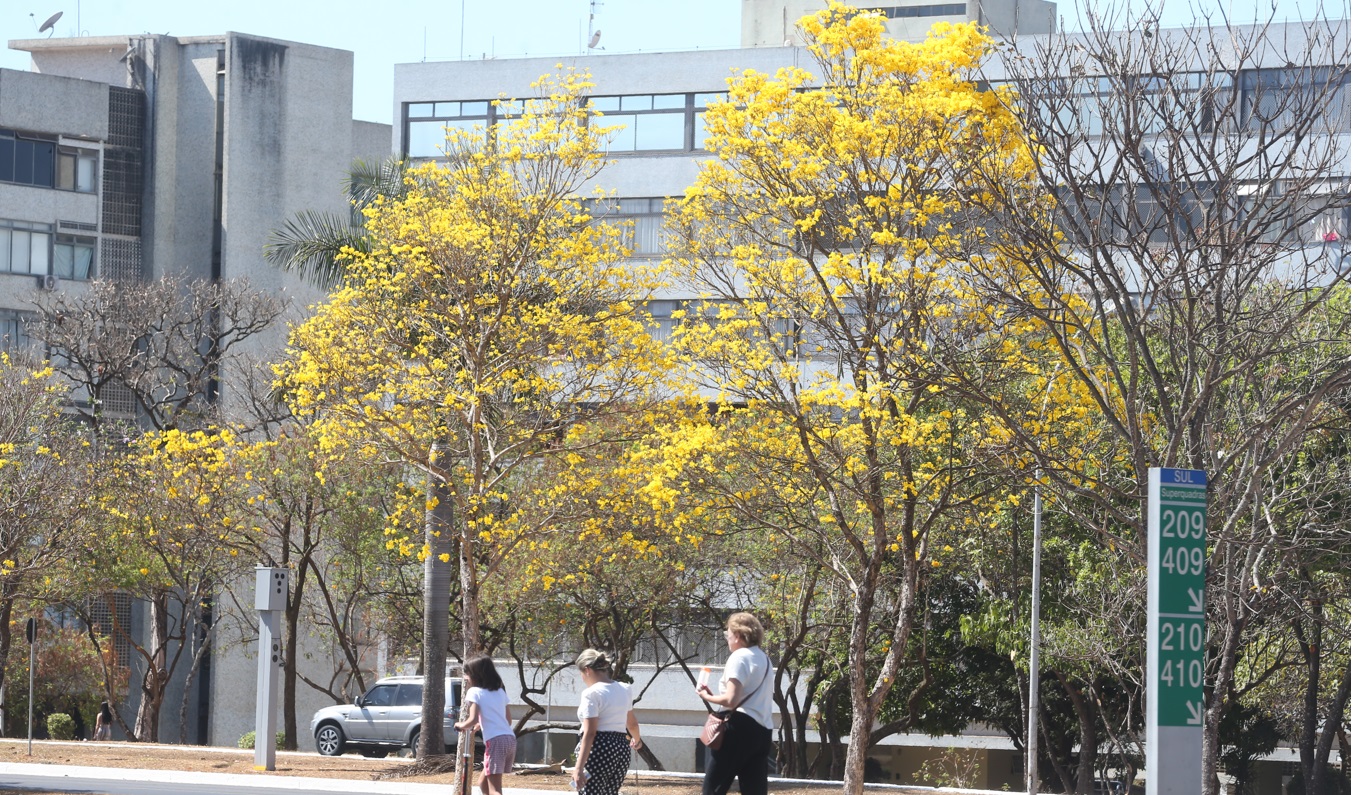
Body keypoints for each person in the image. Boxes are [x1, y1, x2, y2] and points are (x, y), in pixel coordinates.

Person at [696, 612, 773, 795]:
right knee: (754, 790)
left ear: (738, 635)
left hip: (738, 728)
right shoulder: (764, 659)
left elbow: (731, 700)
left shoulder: (739, 657)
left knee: (713, 788)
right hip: (763, 731)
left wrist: (706, 696)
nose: (727, 638)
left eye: (728, 634)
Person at [572, 649, 642, 795]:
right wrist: (637, 740)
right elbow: (632, 724)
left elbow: (590, 733)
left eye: (581, 674)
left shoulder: (591, 693)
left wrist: (578, 768)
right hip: (621, 748)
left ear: (587, 670)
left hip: (599, 748)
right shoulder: (625, 689)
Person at [454, 656, 516, 795]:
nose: (466, 677)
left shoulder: (474, 692)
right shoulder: (500, 692)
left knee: (495, 790)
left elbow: (472, 718)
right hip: (509, 739)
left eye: (467, 674)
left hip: (495, 741)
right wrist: (479, 725)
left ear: (475, 675)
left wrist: (460, 725)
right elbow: (508, 720)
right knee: (483, 783)